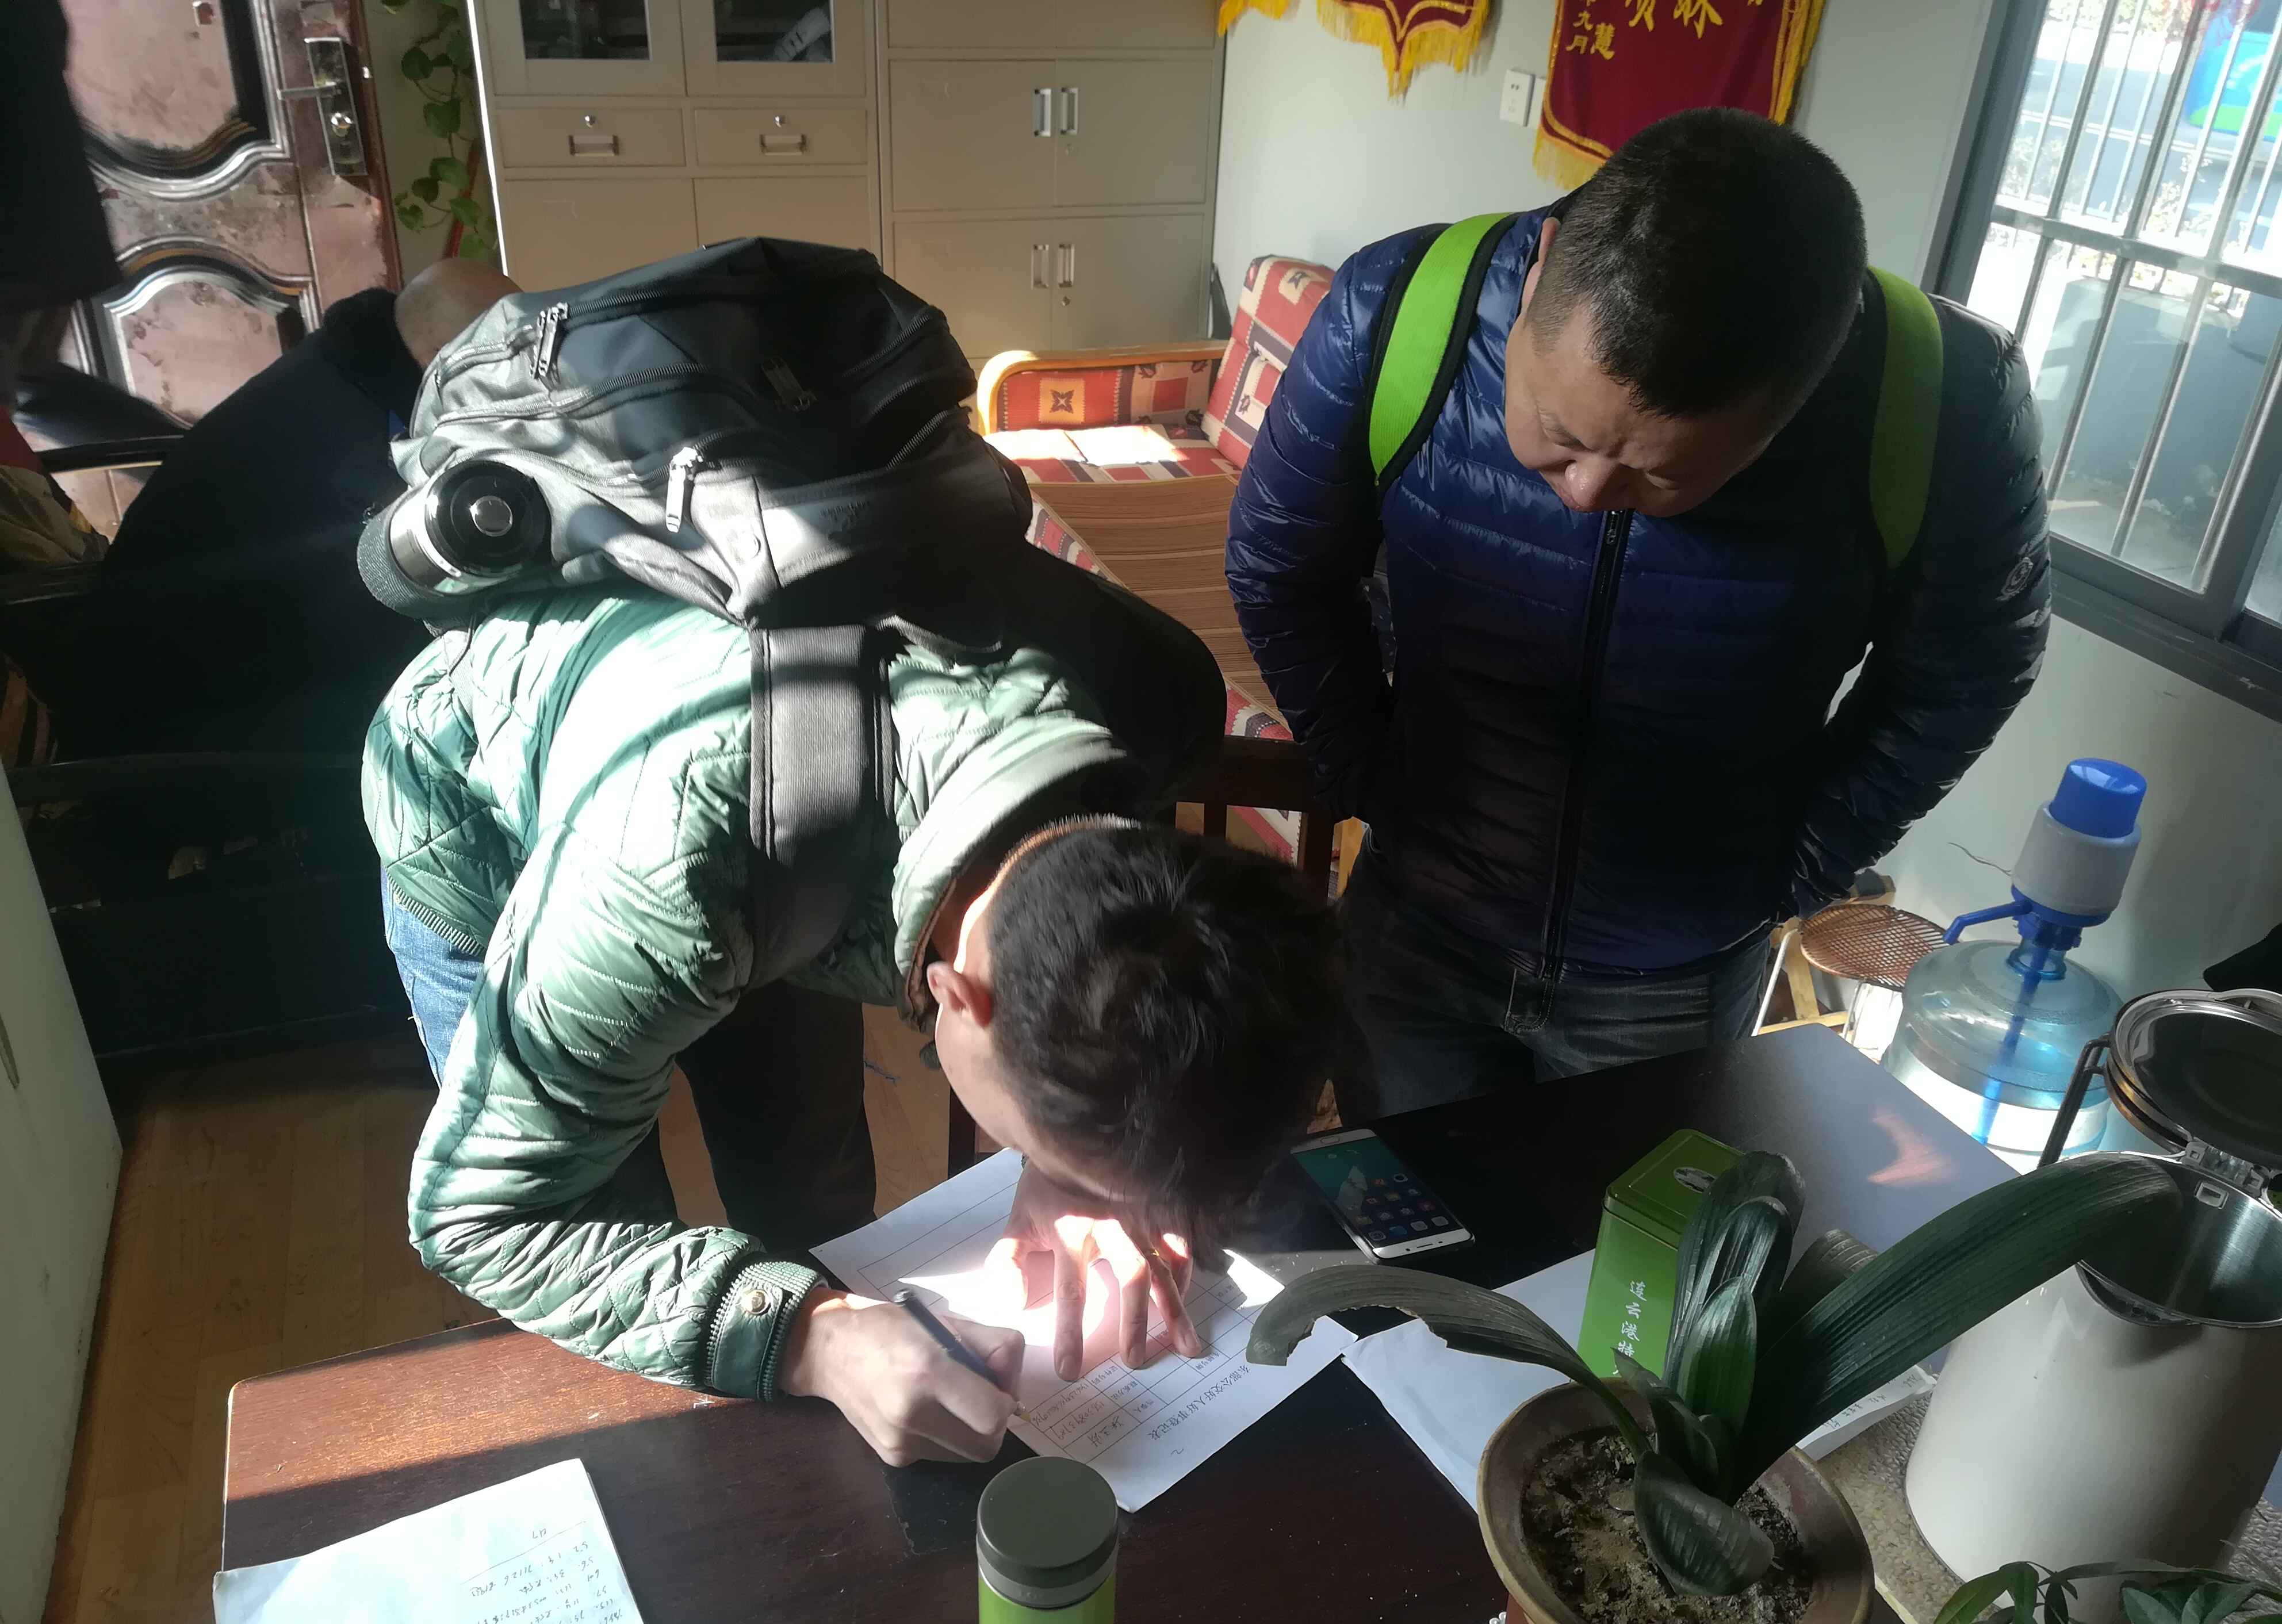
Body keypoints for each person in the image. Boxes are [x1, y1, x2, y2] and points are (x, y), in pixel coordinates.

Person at [364, 544, 1343, 1466]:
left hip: (796, 817)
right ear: (953, 995)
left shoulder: (1146, 707)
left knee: (813, 1190)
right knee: (619, 1235)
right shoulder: (650, 894)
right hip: (499, 820)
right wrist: (812, 1340)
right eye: (1040, 1150)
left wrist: (1077, 1171)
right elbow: (489, 1219)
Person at [1223, 109, 2050, 1117]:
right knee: (1403, 1207)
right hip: (1419, 927)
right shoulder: (1399, 305)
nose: (1583, 491)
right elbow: (1279, 564)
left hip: (1676, 975)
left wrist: (1799, 862)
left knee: (1625, 1218)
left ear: (1790, 410)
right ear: (1539, 273)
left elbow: (1969, 667)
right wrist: (1366, 771)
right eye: (1559, 433)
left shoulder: (1942, 396)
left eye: (1660, 475)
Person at [20, 259, 518, 758]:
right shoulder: (369, 467)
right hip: (175, 742)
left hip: (121, 669)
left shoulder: (334, 371)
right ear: (449, 364)